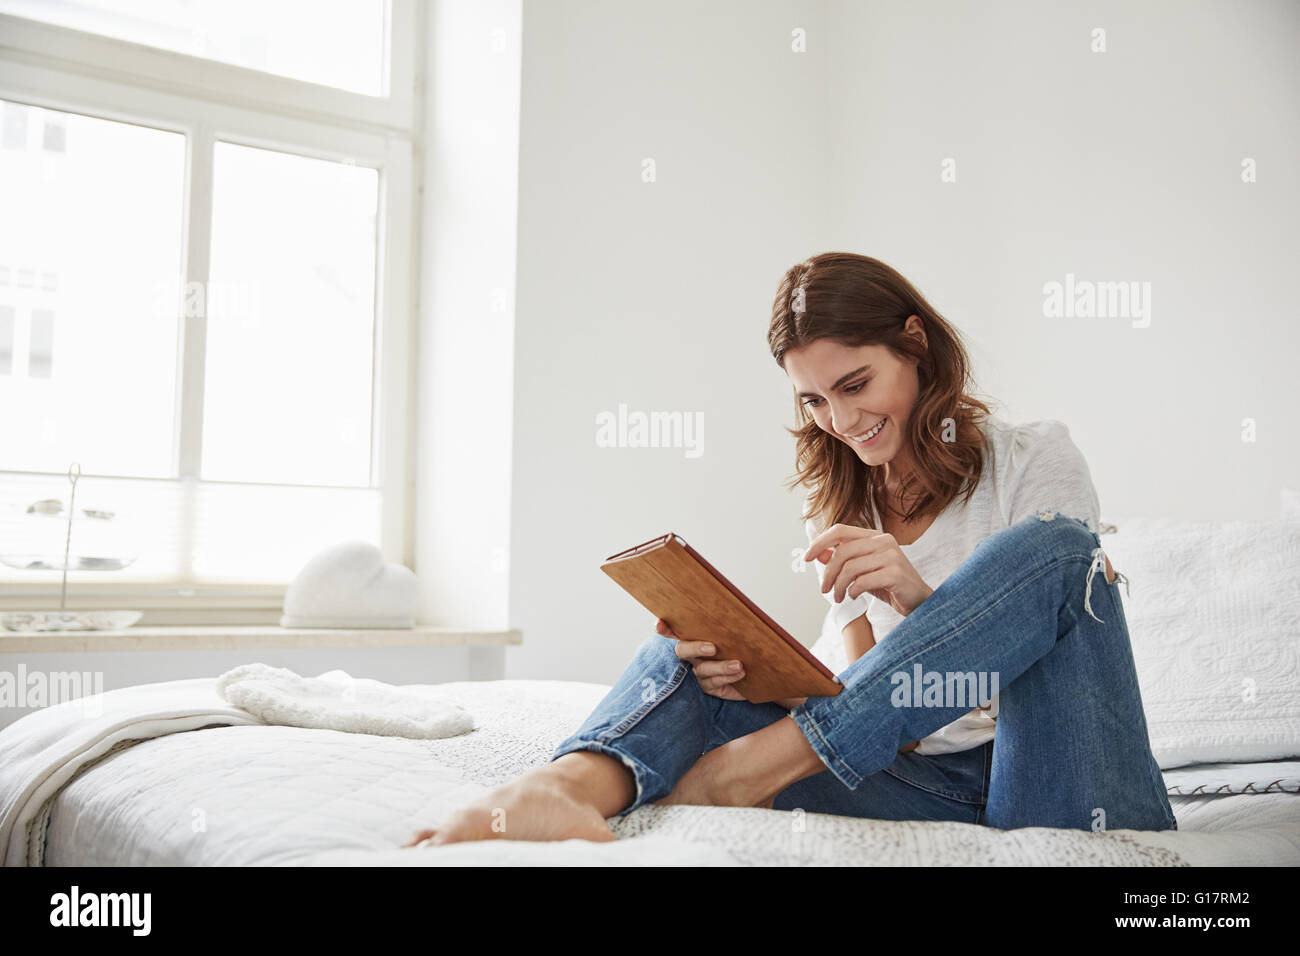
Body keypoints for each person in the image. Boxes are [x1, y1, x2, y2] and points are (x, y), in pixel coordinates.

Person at [405, 252, 1176, 847]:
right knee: (691, 647)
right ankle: (570, 784)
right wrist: (763, 677)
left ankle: (760, 764)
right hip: (918, 785)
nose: (840, 419)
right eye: (814, 399)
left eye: (855, 383)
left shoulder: (1037, 459)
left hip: (1057, 778)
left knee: (1061, 551)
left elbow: (1045, 681)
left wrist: (915, 598)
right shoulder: (840, 505)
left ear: (916, 344)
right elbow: (876, 699)